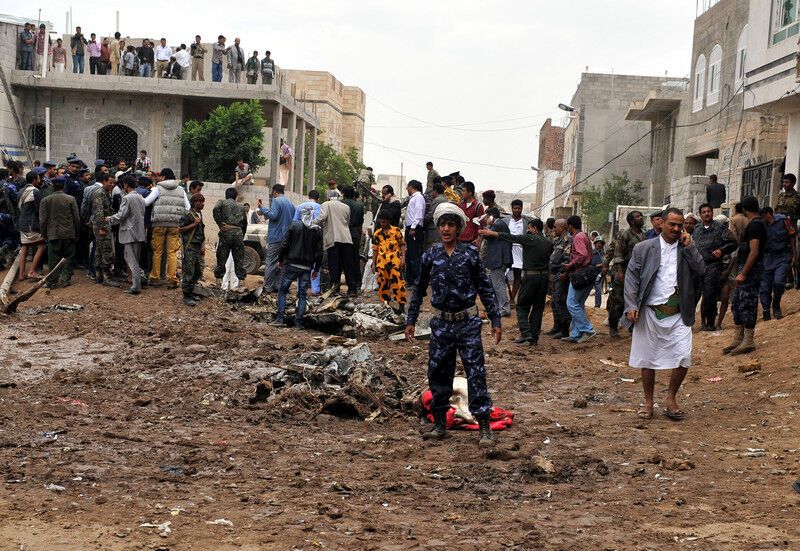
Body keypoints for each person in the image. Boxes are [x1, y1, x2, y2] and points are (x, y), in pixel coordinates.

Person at [405, 202, 501, 447]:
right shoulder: (430, 255)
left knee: (475, 373)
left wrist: (495, 319)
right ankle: (439, 424)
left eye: (451, 225)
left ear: (458, 228)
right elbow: (418, 289)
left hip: (468, 323)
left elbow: (485, 288)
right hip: (441, 325)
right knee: (438, 374)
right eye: (442, 225)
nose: (446, 229)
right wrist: (411, 320)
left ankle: (484, 427)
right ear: (438, 227)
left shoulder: (470, 254)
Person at [625, 208, 705, 421]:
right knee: (648, 359)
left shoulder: (687, 247)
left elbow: (701, 270)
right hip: (649, 312)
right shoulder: (643, 248)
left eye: (681, 225)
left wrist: (690, 248)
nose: (677, 229)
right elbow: (632, 278)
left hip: (679, 312)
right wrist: (631, 305)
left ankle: (671, 398)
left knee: (683, 356)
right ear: (662, 223)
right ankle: (648, 402)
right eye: (673, 224)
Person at [481, 217, 553, 345]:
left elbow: (511, 237)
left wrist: (491, 233)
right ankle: (534, 336)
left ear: (535, 229)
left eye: (529, 228)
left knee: (521, 306)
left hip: (531, 277)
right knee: (538, 307)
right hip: (544, 278)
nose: (528, 230)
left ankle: (526, 333)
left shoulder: (529, 239)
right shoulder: (548, 243)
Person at [724, 196, 767, 355]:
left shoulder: (756, 225)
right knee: (737, 302)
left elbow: (754, 251)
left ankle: (748, 341)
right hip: (746, 268)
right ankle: (738, 338)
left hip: (751, 270)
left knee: (747, 303)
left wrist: (743, 273)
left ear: (744, 209)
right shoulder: (754, 224)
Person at [273, 205, 323, 327]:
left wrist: (280, 260)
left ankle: (280, 319)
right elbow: (320, 252)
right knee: (302, 294)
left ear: (301, 214)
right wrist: (316, 269)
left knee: (283, 290)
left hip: (291, 264)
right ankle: (298, 322)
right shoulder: (317, 230)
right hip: (307, 267)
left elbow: (284, 244)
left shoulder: (294, 225)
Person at [693, 203, 737, 331]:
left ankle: (711, 322)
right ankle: (694, 322)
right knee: (695, 294)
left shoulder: (720, 228)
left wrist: (722, 251)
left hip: (713, 266)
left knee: (709, 294)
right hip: (698, 266)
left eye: (709, 211)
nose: (706, 213)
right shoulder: (697, 229)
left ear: (712, 213)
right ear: (700, 214)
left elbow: (733, 243)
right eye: (704, 212)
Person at [144, 168, 191, 287]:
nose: (158, 178)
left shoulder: (157, 188)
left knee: (157, 251)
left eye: (160, 176)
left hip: (158, 224)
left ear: (164, 177)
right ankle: (172, 279)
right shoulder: (181, 189)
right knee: (172, 252)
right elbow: (188, 207)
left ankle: (155, 277)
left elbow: (146, 202)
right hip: (175, 225)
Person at [607, 211, 644, 338]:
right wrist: (619, 272)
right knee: (618, 301)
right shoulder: (624, 234)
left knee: (635, 301)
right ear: (631, 221)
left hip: (638, 274)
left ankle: (632, 326)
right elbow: (618, 253)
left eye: (641, 216)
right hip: (624, 272)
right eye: (637, 217)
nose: (641, 218)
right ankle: (613, 326)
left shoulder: (644, 235)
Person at [38, 176, 81, 288]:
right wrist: (77, 233)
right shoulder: (71, 199)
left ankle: (52, 282)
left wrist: (44, 234)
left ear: (52, 186)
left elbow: (42, 220)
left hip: (53, 234)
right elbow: (76, 218)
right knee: (68, 256)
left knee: (53, 258)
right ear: (64, 186)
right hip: (69, 233)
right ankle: (65, 280)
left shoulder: (45, 200)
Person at [107, 175, 146, 295]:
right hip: (139, 232)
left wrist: (109, 219)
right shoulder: (140, 197)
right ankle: (139, 282)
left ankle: (136, 286)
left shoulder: (127, 198)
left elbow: (122, 215)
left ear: (126, 185)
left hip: (129, 233)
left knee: (131, 260)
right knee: (135, 259)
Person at [562, 215, 595, 343]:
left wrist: (570, 264)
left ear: (570, 226)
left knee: (571, 303)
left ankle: (588, 329)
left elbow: (582, 254)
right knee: (578, 304)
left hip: (580, 274)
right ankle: (576, 333)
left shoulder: (578, 237)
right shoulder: (584, 235)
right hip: (585, 273)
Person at [316, 193, 358, 295]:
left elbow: (322, 216)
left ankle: (335, 288)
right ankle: (352, 289)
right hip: (346, 238)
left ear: (328, 197)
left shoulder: (326, 204)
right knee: (348, 265)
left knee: (334, 265)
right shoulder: (346, 207)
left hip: (333, 239)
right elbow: (347, 222)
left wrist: (312, 222)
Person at [255, 183, 294, 292]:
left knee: (271, 262)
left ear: (275, 192)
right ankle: (279, 286)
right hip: (287, 238)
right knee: (283, 263)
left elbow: (273, 215)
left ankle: (268, 287)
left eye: (273, 194)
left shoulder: (277, 200)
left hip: (276, 237)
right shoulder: (290, 203)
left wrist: (262, 208)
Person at [759, 206, 795, 320]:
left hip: (782, 256)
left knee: (779, 282)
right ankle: (766, 310)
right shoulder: (761, 225)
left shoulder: (783, 220)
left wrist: (794, 255)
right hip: (767, 257)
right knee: (764, 287)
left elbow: (792, 235)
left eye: (764, 216)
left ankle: (776, 304)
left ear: (769, 214)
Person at [477, 207, 513, 317]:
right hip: (496, 260)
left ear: (492, 216)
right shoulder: (497, 225)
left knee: (498, 285)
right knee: (494, 285)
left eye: (487, 216)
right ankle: (498, 307)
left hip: (499, 260)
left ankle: (504, 308)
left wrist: (483, 226)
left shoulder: (499, 224)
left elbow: (486, 233)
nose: (486, 218)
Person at [372, 210, 407, 313]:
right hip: (382, 263)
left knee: (398, 284)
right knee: (382, 285)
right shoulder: (377, 233)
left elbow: (402, 244)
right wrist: (373, 264)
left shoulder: (396, 231)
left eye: (384, 222)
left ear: (388, 221)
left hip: (394, 262)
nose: (382, 224)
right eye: (380, 222)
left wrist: (403, 258)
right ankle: (386, 306)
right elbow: (375, 249)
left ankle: (401, 306)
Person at [213, 187, 247, 286]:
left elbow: (215, 209)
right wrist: (242, 234)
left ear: (226, 195)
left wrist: (219, 223)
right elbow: (244, 223)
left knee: (222, 257)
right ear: (236, 196)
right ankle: (241, 282)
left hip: (226, 232)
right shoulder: (241, 206)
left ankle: (219, 281)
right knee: (239, 258)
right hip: (238, 233)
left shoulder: (222, 202)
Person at [17, 170, 45, 281]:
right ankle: (32, 271)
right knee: (41, 246)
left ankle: (21, 274)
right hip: (31, 224)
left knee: (24, 247)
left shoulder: (21, 191)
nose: (40, 180)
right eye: (38, 178)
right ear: (34, 180)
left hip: (22, 223)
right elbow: (40, 209)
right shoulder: (35, 191)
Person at [178, 193, 206, 306]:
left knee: (197, 271)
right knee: (189, 272)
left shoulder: (199, 214)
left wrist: (203, 246)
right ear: (195, 202)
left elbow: (201, 231)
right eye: (201, 201)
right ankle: (186, 296)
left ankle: (191, 292)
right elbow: (180, 229)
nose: (203, 204)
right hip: (190, 246)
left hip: (198, 247)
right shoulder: (188, 214)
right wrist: (193, 224)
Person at [91, 172, 117, 285]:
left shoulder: (106, 193)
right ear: (104, 181)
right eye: (110, 182)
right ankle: (106, 277)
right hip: (101, 225)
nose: (112, 185)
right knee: (106, 251)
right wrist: (102, 227)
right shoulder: (99, 193)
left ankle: (99, 276)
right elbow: (99, 212)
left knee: (99, 250)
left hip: (104, 224)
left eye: (114, 183)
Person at [548, 219, 572, 338]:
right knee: (554, 302)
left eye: (555, 227)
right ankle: (556, 326)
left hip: (561, 275)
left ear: (562, 228)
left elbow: (567, 259)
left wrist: (564, 273)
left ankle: (564, 329)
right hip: (554, 274)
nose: (554, 229)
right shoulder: (558, 241)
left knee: (560, 301)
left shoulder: (568, 240)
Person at [404, 180, 426, 288]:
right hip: (411, 227)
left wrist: (413, 228)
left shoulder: (418, 198)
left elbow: (418, 213)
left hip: (414, 228)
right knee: (410, 255)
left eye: (407, 187)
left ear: (411, 187)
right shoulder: (413, 198)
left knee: (414, 256)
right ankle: (411, 280)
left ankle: (417, 282)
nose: (407, 189)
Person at [341, 185, 364, 272]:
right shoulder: (359, 206)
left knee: (341, 257)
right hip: (355, 233)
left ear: (343, 194)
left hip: (342, 233)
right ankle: (356, 280)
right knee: (354, 257)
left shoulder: (340, 203)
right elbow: (361, 222)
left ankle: (337, 281)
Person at [507, 200, 526, 304]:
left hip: (519, 251)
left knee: (517, 275)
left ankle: (512, 299)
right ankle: (503, 298)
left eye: (519, 208)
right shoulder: (506, 220)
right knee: (503, 274)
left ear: (521, 208)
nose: (517, 210)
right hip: (507, 249)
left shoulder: (526, 222)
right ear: (512, 208)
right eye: (515, 208)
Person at [424, 181, 448, 249]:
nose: (431, 194)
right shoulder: (445, 199)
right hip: (440, 227)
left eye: (432, 191)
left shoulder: (437, 200)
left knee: (433, 248)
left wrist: (422, 221)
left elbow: (431, 215)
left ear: (435, 191)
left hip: (434, 229)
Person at [591, 236, 605, 308]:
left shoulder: (603, 254)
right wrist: (598, 265)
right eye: (598, 243)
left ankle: (597, 305)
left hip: (599, 274)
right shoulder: (591, 253)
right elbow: (589, 265)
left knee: (598, 289)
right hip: (591, 273)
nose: (599, 245)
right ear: (595, 244)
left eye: (601, 243)